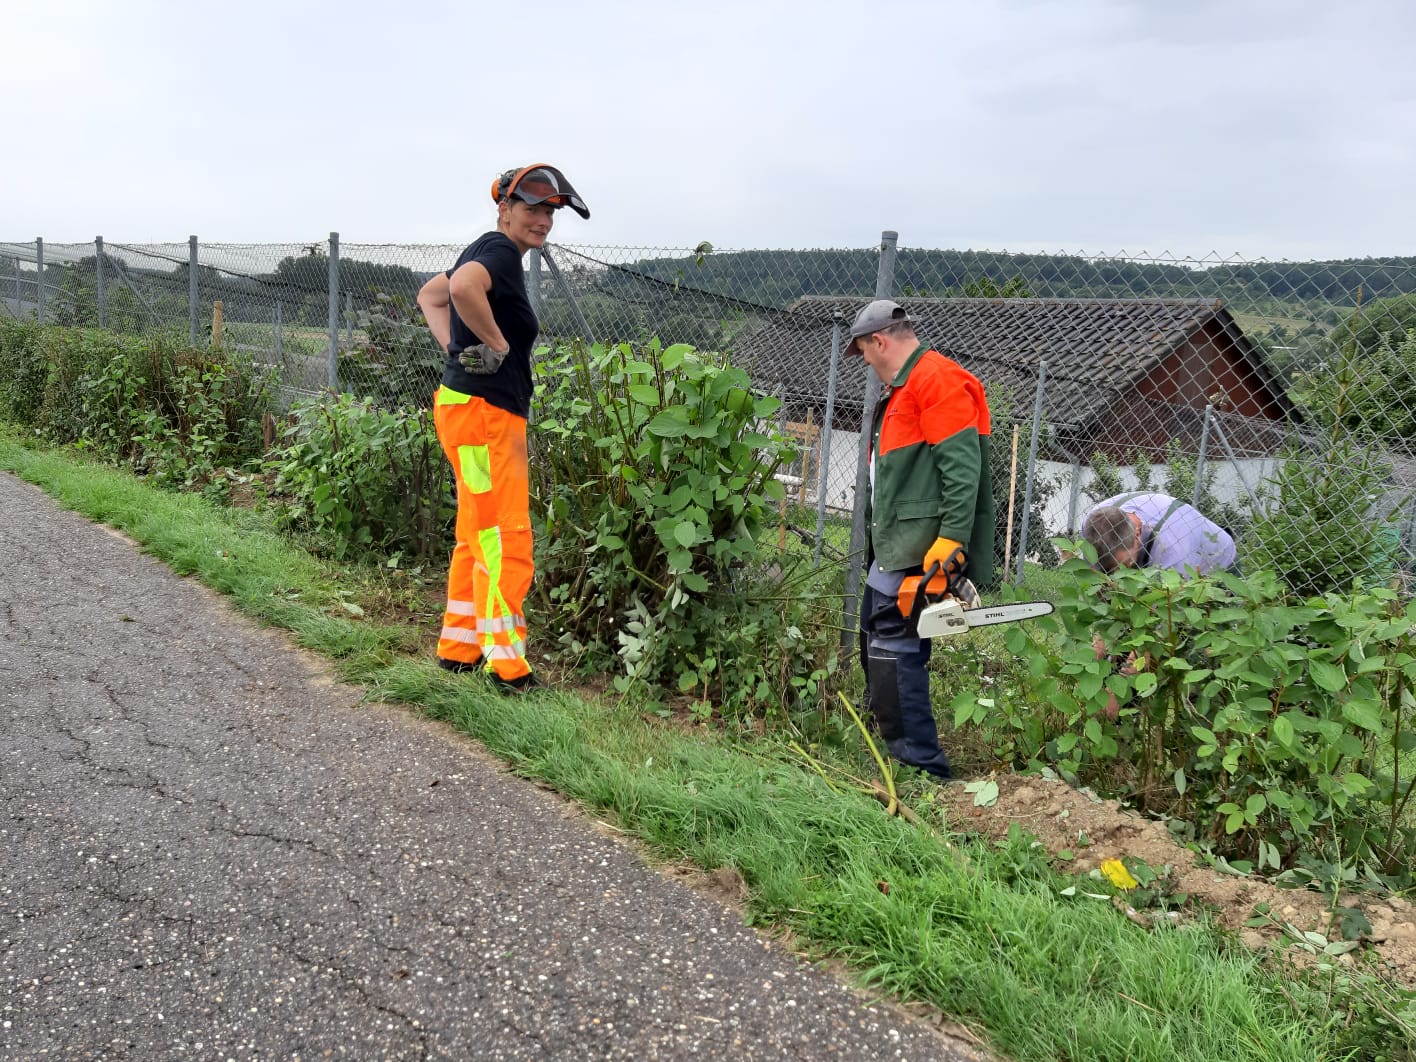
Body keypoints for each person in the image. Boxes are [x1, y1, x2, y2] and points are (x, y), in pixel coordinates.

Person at [416, 163, 589, 694]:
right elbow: (464, 288)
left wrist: (456, 353)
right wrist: (495, 346)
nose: (542, 221)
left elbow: (431, 295)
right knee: (506, 535)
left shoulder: (482, 248)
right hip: (488, 415)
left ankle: (460, 648)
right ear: (504, 210)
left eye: (549, 213)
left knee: (476, 528)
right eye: (532, 210)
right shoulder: (498, 254)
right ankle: (508, 667)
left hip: (462, 405)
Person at [850, 299, 995, 780]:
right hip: (895, 539)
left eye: (865, 352)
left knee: (896, 645)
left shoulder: (937, 380)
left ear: (880, 340)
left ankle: (921, 764)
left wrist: (951, 540)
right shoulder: (905, 385)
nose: (866, 362)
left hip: (921, 542)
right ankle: (886, 735)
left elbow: (961, 469)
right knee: (875, 623)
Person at [1080, 491, 1235, 576]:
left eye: (1124, 564)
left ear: (1137, 534)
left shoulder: (1172, 548)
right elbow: (1094, 577)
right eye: (1110, 568)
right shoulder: (1093, 525)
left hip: (1218, 565)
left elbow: (1166, 621)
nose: (1118, 574)